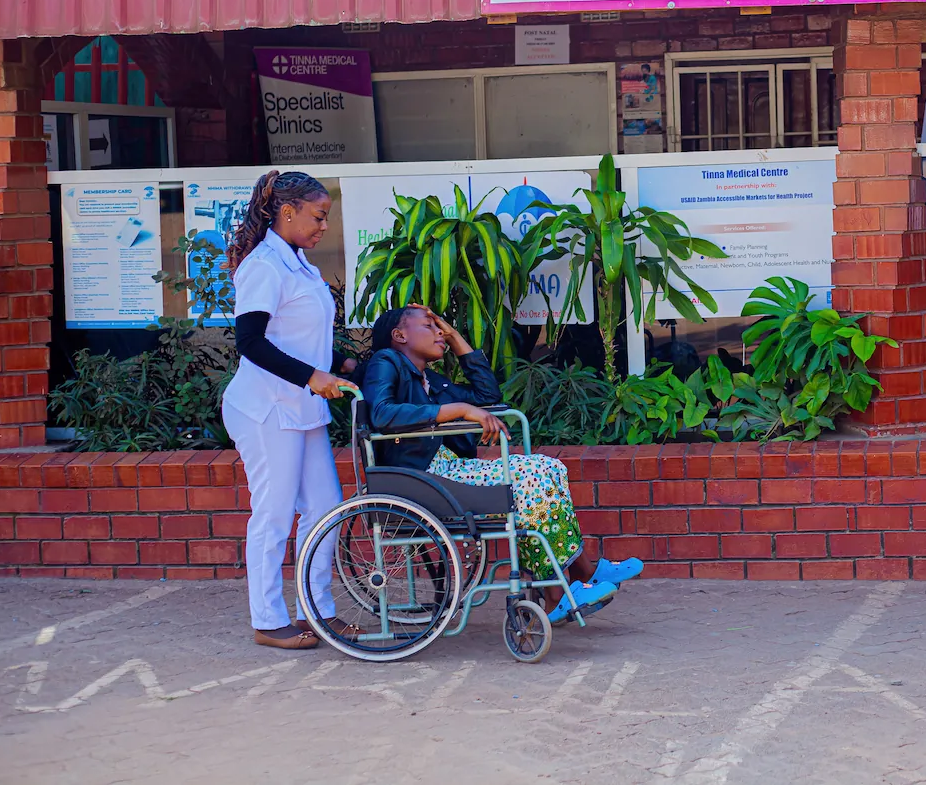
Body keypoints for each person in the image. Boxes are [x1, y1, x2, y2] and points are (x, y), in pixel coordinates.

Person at [362, 305, 642, 623]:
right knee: (531, 476)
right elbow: (382, 414)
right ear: (399, 335)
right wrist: (459, 410)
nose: (439, 331)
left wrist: (456, 340)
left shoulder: (429, 379)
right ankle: (566, 587)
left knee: (549, 468)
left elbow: (488, 395)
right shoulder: (386, 362)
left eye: (441, 328)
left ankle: (572, 582)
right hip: (423, 478)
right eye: (430, 326)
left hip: (446, 471)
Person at [221, 171, 354, 650]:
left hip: (304, 407)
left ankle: (317, 611)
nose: (323, 227)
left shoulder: (300, 263)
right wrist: (313, 377)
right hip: (267, 410)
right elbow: (251, 341)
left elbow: (303, 336)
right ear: (287, 212)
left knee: (325, 510)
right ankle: (268, 620)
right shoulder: (264, 267)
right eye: (318, 217)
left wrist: (343, 363)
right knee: (273, 515)